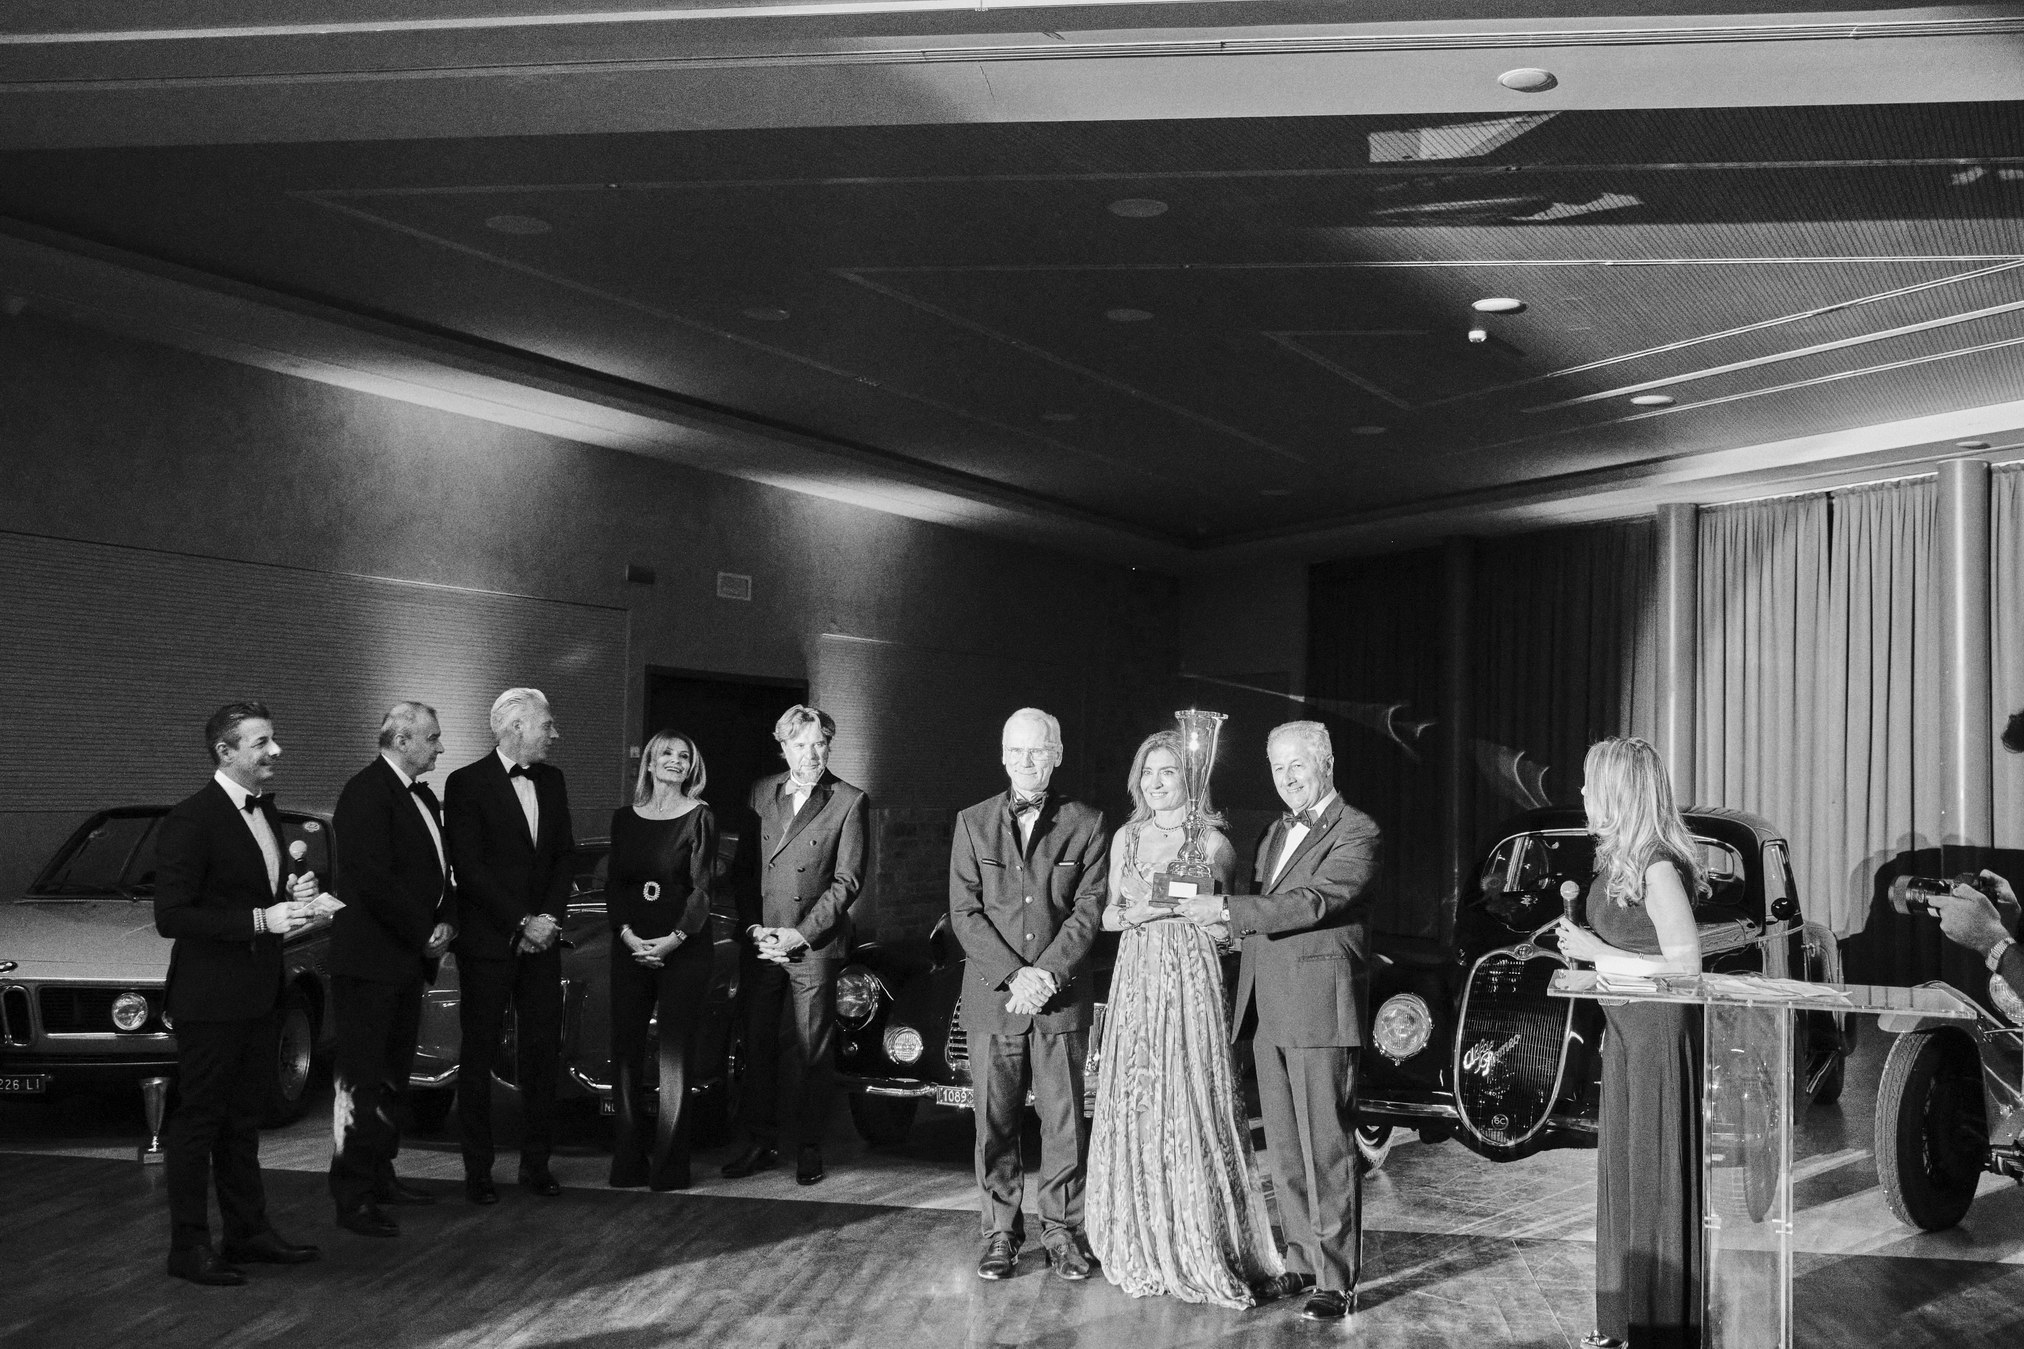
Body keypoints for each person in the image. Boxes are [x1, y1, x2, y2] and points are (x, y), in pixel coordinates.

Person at [1178, 718, 1380, 1322]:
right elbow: (1263, 916)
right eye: (1278, 767)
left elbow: (1313, 903)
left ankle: (1337, 1278)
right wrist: (1219, 929)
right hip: (1267, 1007)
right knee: (1286, 1149)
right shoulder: (1272, 832)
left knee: (1328, 1148)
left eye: (1298, 764)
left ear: (1326, 765)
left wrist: (1225, 908)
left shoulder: (1358, 829)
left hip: (1319, 1008)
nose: (1288, 778)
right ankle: (1300, 1261)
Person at [1086, 730, 1282, 1308]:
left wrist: (1167, 909)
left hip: (1190, 976)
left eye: (1168, 771)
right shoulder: (1126, 837)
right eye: (1148, 772)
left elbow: (1220, 920)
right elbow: (1109, 916)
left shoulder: (1214, 842)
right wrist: (1146, 909)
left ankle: (1198, 1240)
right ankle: (1142, 1239)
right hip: (1136, 977)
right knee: (1139, 1098)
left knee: (1187, 1096)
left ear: (1191, 780)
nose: (1156, 782)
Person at [154, 701, 323, 1285]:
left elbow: (256, 889)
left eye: (272, 739)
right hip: (209, 998)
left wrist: (292, 893)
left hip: (258, 991)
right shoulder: (191, 819)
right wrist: (259, 919)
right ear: (225, 753)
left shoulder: (265, 810)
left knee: (242, 1121)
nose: (275, 751)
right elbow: (173, 915)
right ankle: (188, 1247)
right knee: (198, 1123)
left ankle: (247, 1232)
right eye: (260, 743)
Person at [1553, 736, 1708, 1349]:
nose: (1582, 793)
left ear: (1617, 792)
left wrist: (1598, 954)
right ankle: (1622, 1321)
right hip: (1624, 1031)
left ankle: (1659, 1328)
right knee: (1625, 1174)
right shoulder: (1619, 861)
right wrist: (1590, 970)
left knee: (1652, 1174)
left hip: (1657, 1035)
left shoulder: (1656, 866)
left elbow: (1686, 966)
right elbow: (1633, 955)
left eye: (1590, 784)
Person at [949, 707, 1109, 1282]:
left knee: (1064, 1124)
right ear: (1002, 756)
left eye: (1038, 750)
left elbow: (1089, 910)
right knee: (994, 1124)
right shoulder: (972, 822)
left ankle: (1063, 1233)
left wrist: (1045, 976)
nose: (1026, 760)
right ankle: (1000, 1233)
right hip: (995, 998)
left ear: (1057, 754)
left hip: (1060, 1000)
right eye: (1016, 750)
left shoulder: (1088, 823)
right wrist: (1017, 976)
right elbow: (965, 913)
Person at [723, 704, 868, 1187]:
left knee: (812, 1052)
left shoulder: (849, 800)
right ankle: (760, 1142)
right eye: (801, 745)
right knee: (758, 1044)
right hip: (764, 942)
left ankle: (809, 1146)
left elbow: (847, 882)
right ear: (783, 747)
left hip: (813, 944)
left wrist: (801, 933)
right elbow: (745, 871)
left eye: (820, 744)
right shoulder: (761, 792)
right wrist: (754, 930)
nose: (812, 754)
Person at [328, 701, 457, 1238]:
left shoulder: (422, 795)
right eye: (433, 737)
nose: (440, 747)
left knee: (391, 1078)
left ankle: (380, 1174)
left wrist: (447, 920)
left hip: (403, 961)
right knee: (360, 1082)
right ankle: (352, 1194)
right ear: (401, 740)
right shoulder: (365, 792)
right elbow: (372, 878)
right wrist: (424, 930)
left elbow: (442, 871)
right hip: (370, 961)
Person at [444, 687, 575, 1204]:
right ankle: (478, 1169)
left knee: (542, 1053)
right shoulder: (465, 782)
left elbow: (564, 857)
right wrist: (522, 921)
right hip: (489, 943)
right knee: (477, 1056)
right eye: (547, 724)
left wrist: (548, 921)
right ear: (515, 727)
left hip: (542, 943)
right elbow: (469, 868)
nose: (554, 734)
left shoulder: (553, 780)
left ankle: (536, 1163)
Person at [606, 729, 719, 1191]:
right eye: (667, 753)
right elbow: (615, 885)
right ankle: (628, 1162)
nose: (676, 760)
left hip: (683, 948)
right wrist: (629, 936)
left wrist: (672, 940)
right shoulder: (623, 819)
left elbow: (702, 889)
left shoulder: (700, 817)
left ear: (691, 767)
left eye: (684, 756)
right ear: (649, 763)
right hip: (630, 946)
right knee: (626, 1056)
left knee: (674, 1059)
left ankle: (670, 1168)